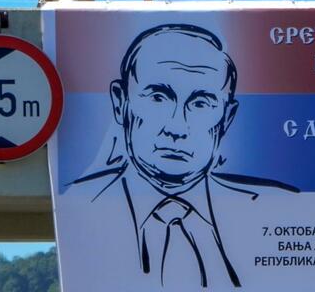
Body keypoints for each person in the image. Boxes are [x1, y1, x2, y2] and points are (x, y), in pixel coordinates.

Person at [70, 24, 298, 289]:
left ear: (227, 117)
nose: (177, 127)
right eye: (158, 98)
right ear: (121, 103)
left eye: (200, 104)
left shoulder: (285, 208)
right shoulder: (77, 203)